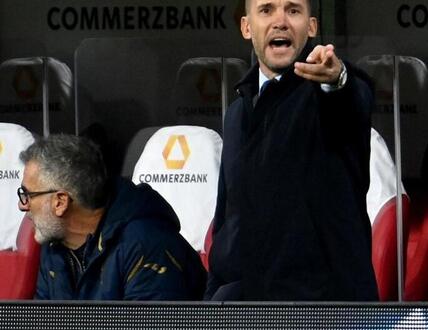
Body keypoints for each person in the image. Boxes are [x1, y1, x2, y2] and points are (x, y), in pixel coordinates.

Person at [205, 0, 378, 300]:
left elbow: (353, 97)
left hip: (325, 313)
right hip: (249, 309)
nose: (281, 21)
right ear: (247, 27)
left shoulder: (324, 96)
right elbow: (226, 221)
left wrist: (338, 80)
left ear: (311, 27)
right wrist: (214, 295)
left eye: (293, 10)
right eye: (267, 10)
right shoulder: (236, 114)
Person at [18, 134, 206, 300]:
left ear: (60, 202)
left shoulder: (146, 245)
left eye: (28, 195)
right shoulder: (54, 246)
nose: (22, 205)